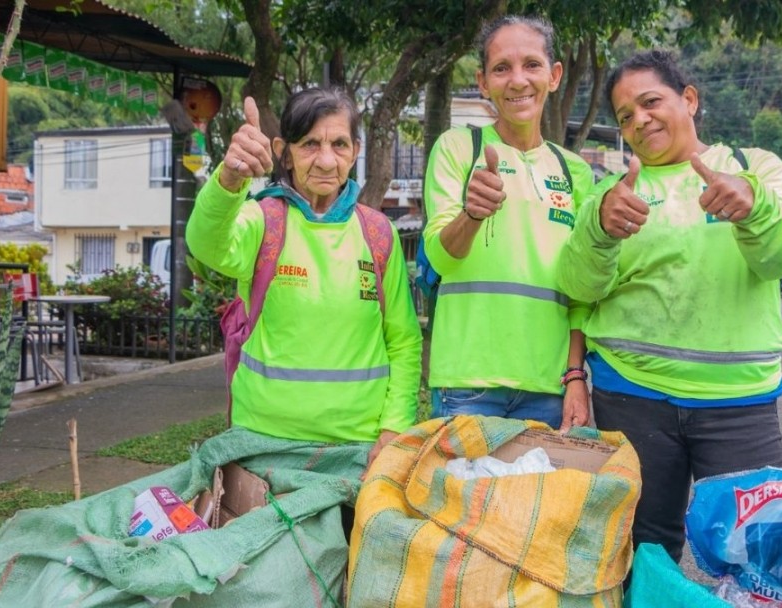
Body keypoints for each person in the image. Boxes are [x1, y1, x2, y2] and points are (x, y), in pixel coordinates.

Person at [556, 50, 782, 563]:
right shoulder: (613, 192)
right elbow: (576, 287)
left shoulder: (753, 168)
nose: (639, 121)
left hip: (739, 402)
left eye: (650, 102)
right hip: (631, 397)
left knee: (757, 552)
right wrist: (599, 230)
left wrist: (755, 208)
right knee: (639, 552)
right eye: (625, 116)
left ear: (689, 99)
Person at [187, 88, 423, 470]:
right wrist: (230, 178)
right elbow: (206, 244)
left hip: (357, 448)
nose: (327, 160)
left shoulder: (378, 233)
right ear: (285, 150)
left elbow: (404, 341)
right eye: (311, 144)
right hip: (262, 445)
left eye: (339, 144)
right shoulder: (264, 219)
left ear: (356, 150)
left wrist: (394, 428)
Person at [421, 15, 594, 431]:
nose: (518, 80)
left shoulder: (575, 172)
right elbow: (439, 257)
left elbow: (582, 293)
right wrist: (472, 214)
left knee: (542, 498)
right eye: (502, 68)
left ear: (554, 76)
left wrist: (575, 376)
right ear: (483, 82)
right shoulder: (459, 147)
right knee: (465, 498)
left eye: (531, 65)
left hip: (549, 386)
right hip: (468, 384)